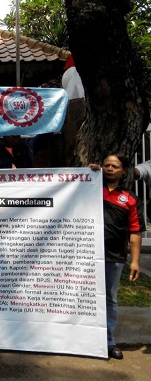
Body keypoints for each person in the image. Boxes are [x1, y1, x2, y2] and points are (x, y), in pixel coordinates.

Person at [93, 153, 144, 359]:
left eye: (115, 166)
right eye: (106, 165)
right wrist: (86, 173)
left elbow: (135, 232)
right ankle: (82, 338)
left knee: (109, 299)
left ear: (124, 171)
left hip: (113, 257)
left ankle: (108, 342)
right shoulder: (89, 189)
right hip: (84, 254)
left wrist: (135, 261)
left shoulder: (130, 199)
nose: (109, 169)